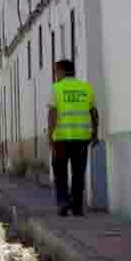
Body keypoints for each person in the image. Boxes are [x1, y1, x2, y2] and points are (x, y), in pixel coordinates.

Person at [47, 59, 99, 217]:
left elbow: (52, 113)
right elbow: (94, 112)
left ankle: (63, 202)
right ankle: (77, 207)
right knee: (78, 173)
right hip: (82, 139)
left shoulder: (56, 88)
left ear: (62, 71)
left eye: (56, 71)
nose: (55, 75)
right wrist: (95, 133)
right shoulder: (86, 88)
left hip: (61, 139)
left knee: (60, 172)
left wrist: (50, 136)